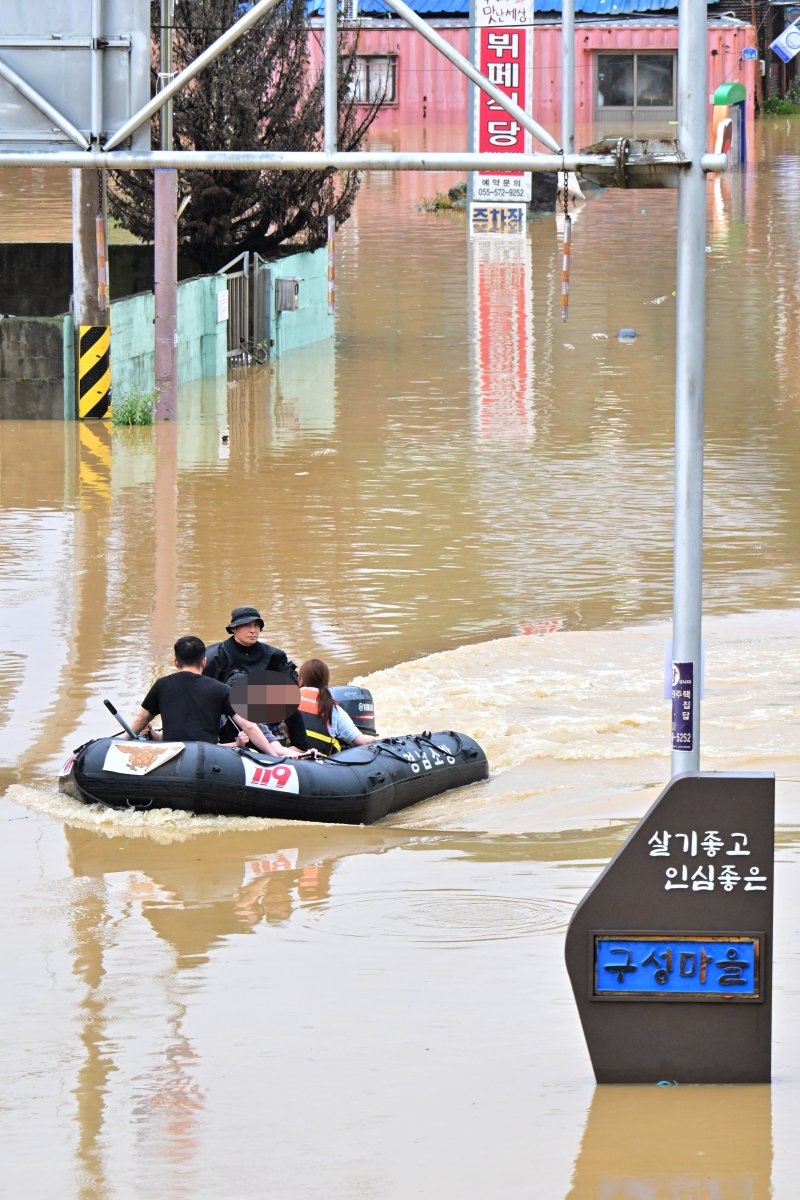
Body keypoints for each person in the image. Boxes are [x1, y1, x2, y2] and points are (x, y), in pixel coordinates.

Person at [127, 635, 304, 757]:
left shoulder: (161, 684)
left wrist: (114, 743)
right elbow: (249, 726)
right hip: (208, 759)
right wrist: (274, 758)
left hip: (170, 755)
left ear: (175, 662)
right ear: (204, 661)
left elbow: (139, 720)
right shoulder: (220, 689)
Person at [203, 606, 309, 749]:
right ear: (234, 629)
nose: (253, 630)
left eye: (256, 625)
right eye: (247, 626)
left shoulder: (274, 655)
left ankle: (299, 748)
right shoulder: (214, 656)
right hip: (228, 711)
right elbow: (204, 692)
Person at [297, 658, 379, 757]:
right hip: (319, 766)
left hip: (285, 761)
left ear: (301, 680)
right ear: (326, 682)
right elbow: (360, 740)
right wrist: (380, 740)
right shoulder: (333, 709)